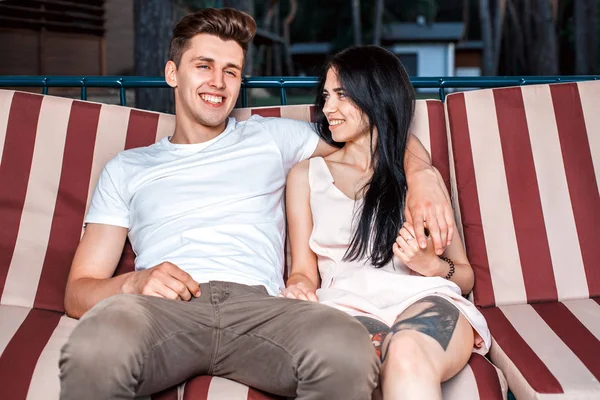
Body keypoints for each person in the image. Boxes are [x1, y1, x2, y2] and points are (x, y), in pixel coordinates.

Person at [59, 9, 454, 400]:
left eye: (231, 71)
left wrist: (422, 175)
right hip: (162, 308)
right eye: (204, 66)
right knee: (95, 347)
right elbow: (79, 291)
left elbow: (376, 129)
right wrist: (134, 282)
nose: (218, 82)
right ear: (172, 74)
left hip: (262, 309)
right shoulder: (127, 167)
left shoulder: (271, 136)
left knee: (347, 349)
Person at [282, 45, 491, 400]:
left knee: (407, 352)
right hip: (344, 305)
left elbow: (465, 274)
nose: (328, 108)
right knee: (356, 365)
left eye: (342, 95)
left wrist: (430, 265)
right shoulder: (306, 176)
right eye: (326, 95)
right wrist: (298, 286)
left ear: (376, 96)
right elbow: (304, 271)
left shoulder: (420, 178)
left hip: (424, 298)